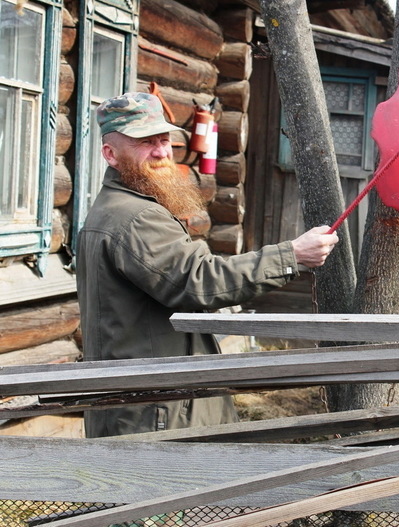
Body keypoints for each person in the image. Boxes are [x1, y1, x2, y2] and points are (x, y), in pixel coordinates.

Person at [76, 92, 339, 438]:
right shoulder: (135, 217)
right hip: (159, 413)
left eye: (163, 140)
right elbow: (199, 281)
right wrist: (291, 256)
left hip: (142, 404)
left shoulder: (111, 209)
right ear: (111, 154)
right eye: (144, 143)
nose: (161, 152)